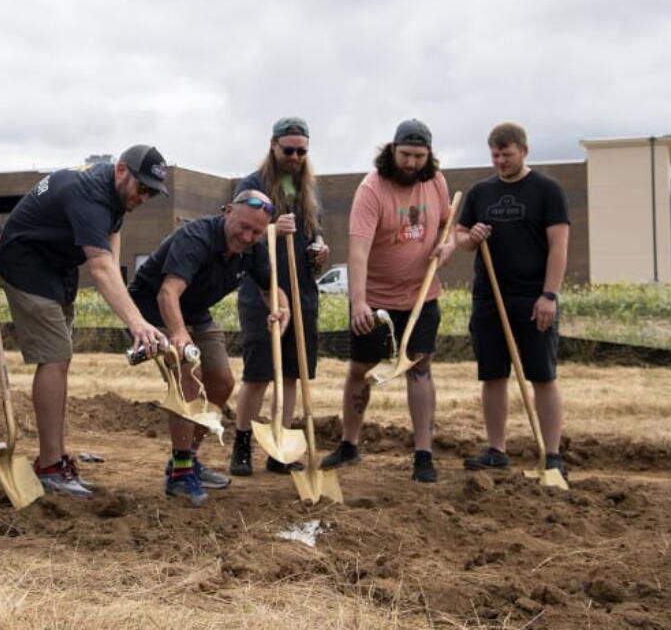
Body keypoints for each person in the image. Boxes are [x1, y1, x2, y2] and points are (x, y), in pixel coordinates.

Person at [0, 145, 168, 497]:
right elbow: (101, 265)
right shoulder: (88, 192)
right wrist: (136, 322)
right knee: (55, 357)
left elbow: (111, 239)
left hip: (56, 268)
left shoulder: (116, 194)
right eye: (142, 188)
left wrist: (125, 307)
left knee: (61, 358)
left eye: (152, 192)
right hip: (26, 264)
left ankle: (53, 460)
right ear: (122, 170)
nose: (145, 197)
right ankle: (49, 465)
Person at [128, 190, 288, 506]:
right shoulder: (196, 237)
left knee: (222, 383)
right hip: (152, 311)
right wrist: (177, 334)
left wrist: (281, 308)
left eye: (256, 232)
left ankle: (187, 458)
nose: (247, 236)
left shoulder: (252, 248)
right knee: (189, 378)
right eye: (243, 227)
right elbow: (167, 293)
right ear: (228, 211)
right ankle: (180, 476)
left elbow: (271, 288)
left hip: (197, 313)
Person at [321, 119, 454, 483]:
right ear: (392, 151)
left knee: (420, 368)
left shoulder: (436, 182)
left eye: (419, 156)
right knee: (360, 370)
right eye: (406, 154)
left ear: (428, 155)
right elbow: (358, 252)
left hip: (421, 294)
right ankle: (349, 443)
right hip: (375, 300)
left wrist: (450, 246)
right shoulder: (371, 190)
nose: (411, 163)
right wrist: (359, 303)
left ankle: (423, 454)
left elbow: (448, 225)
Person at [453, 121, 570, 479]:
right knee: (493, 375)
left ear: (524, 150)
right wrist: (470, 236)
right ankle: (496, 450)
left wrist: (549, 295)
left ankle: (551, 455)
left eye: (507, 154)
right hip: (490, 298)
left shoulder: (547, 190)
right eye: (495, 155)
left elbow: (559, 246)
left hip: (533, 298)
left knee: (542, 376)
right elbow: (460, 237)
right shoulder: (480, 192)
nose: (500, 161)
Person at [230, 118, 329, 477]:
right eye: (289, 150)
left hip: (302, 294)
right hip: (264, 294)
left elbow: (313, 241)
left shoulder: (308, 191)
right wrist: (272, 228)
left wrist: (319, 252)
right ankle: (242, 445)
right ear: (273, 146)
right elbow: (238, 236)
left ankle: (280, 448)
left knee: (291, 374)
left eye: (302, 151)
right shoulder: (253, 186)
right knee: (258, 374)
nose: (295, 157)